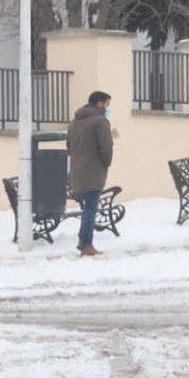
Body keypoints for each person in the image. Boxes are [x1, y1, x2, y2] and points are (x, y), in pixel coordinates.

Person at [67, 90, 115, 257]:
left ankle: (83, 241)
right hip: (94, 170)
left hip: (77, 171)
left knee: (88, 207)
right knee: (91, 208)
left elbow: (69, 146)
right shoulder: (101, 121)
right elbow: (106, 147)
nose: (107, 108)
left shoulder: (74, 122)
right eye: (107, 104)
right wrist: (106, 162)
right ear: (99, 104)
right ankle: (86, 244)